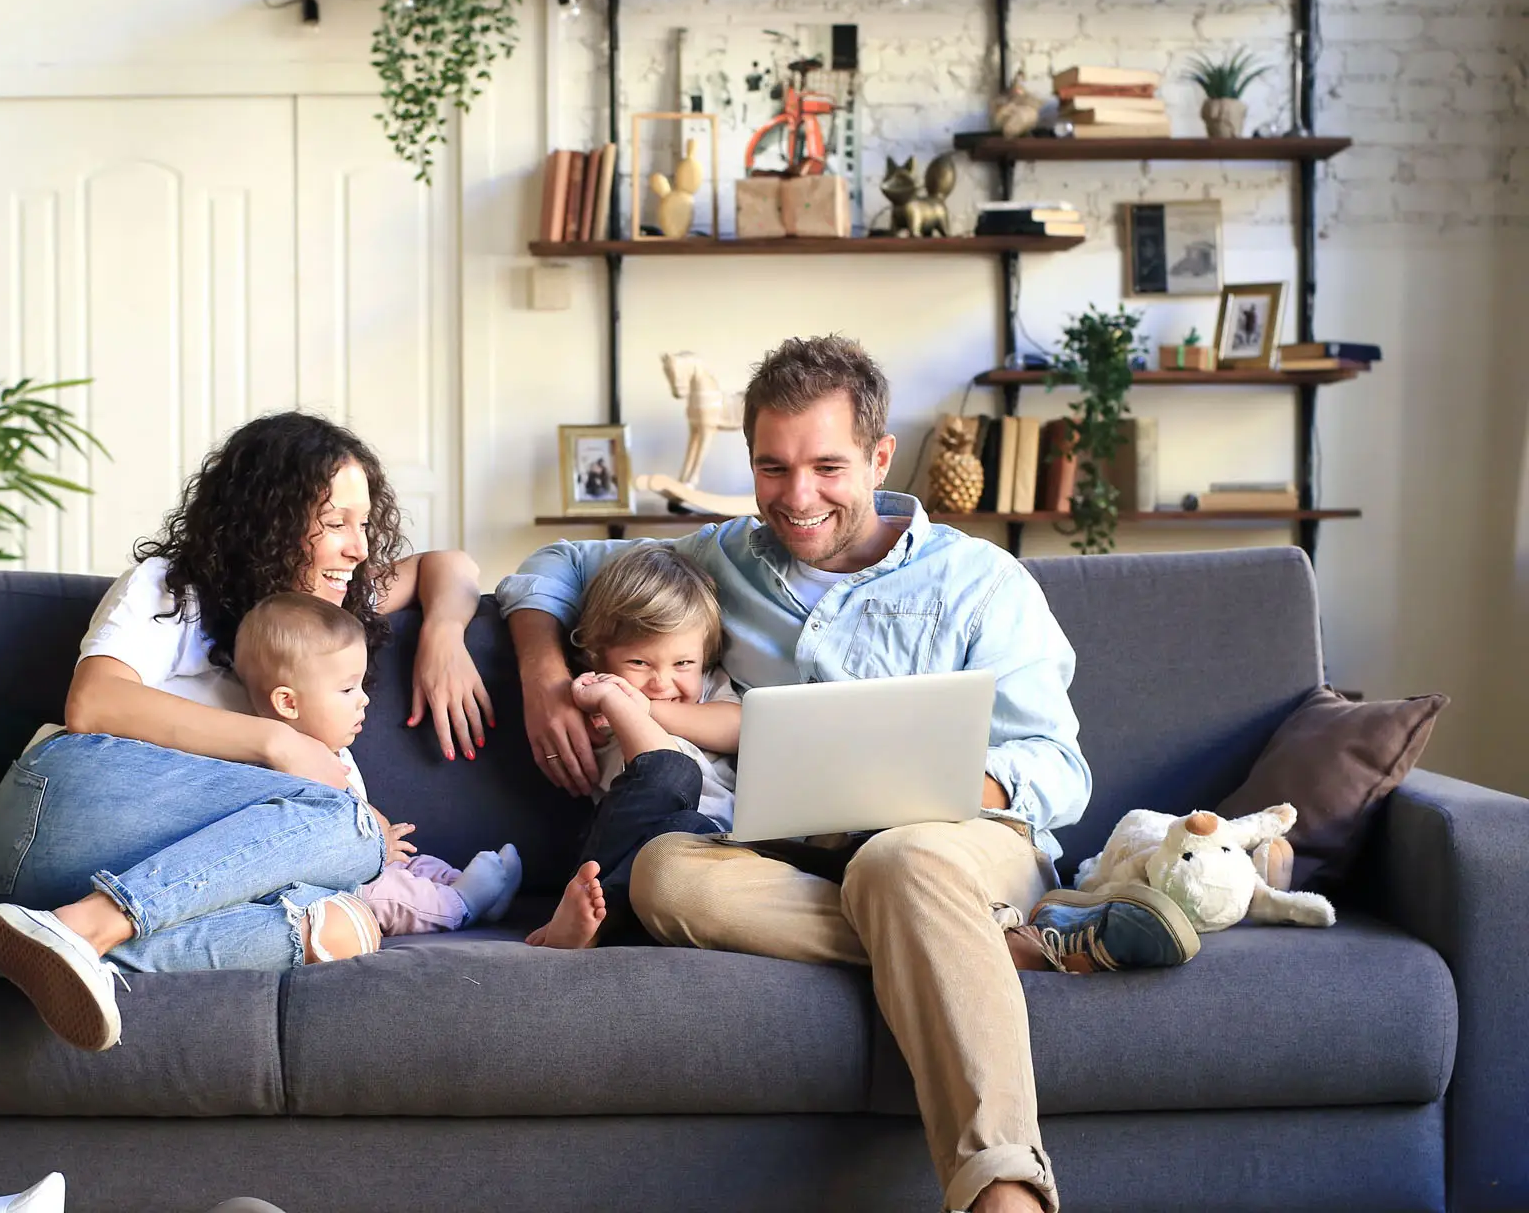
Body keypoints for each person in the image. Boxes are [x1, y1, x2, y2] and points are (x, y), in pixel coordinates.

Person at [496, 336, 1198, 1213]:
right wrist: (542, 675)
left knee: (900, 861)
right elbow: (556, 567)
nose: (797, 498)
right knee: (669, 875)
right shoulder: (719, 559)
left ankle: (1003, 1193)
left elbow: (1058, 770)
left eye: (827, 466)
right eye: (772, 467)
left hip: (956, 846)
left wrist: (926, 790)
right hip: (784, 856)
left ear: (877, 457)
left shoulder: (982, 582)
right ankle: (999, 941)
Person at [0, 411, 496, 1054]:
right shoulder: (173, 589)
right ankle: (86, 927)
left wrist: (445, 637)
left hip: (123, 881)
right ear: (269, 521)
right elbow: (94, 702)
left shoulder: (327, 608)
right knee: (352, 824)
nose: (360, 548)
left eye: (363, 524)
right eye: (335, 523)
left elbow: (447, 566)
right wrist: (280, 745)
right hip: (61, 814)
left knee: (344, 925)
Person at [233, 592, 524, 936]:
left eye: (361, 685)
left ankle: (479, 892)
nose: (364, 699)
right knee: (388, 895)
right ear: (287, 702)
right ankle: (462, 905)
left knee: (416, 865)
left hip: (367, 860)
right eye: (346, 690)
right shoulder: (280, 767)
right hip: (334, 884)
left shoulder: (332, 750)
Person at [525, 544, 741, 949]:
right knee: (672, 786)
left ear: (705, 658)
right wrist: (616, 702)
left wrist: (644, 705)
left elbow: (739, 727)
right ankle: (582, 925)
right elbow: (662, 766)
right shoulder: (595, 697)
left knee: (692, 828)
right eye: (640, 664)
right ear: (597, 655)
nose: (662, 682)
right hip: (627, 846)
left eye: (683, 664)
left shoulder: (708, 688)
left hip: (709, 850)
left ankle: (595, 932)